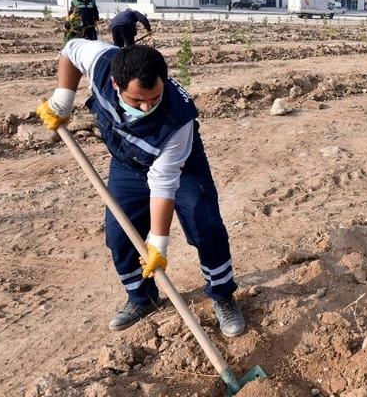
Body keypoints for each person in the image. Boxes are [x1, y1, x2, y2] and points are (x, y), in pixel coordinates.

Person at [35, 40, 246, 336]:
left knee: (205, 225)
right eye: (137, 101)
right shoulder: (100, 62)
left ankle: (223, 295)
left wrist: (158, 243)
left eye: (155, 98)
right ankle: (141, 297)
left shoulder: (177, 120)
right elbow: (70, 51)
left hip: (182, 168)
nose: (147, 107)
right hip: (127, 164)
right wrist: (63, 98)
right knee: (119, 234)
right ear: (115, 84)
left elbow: (163, 182)